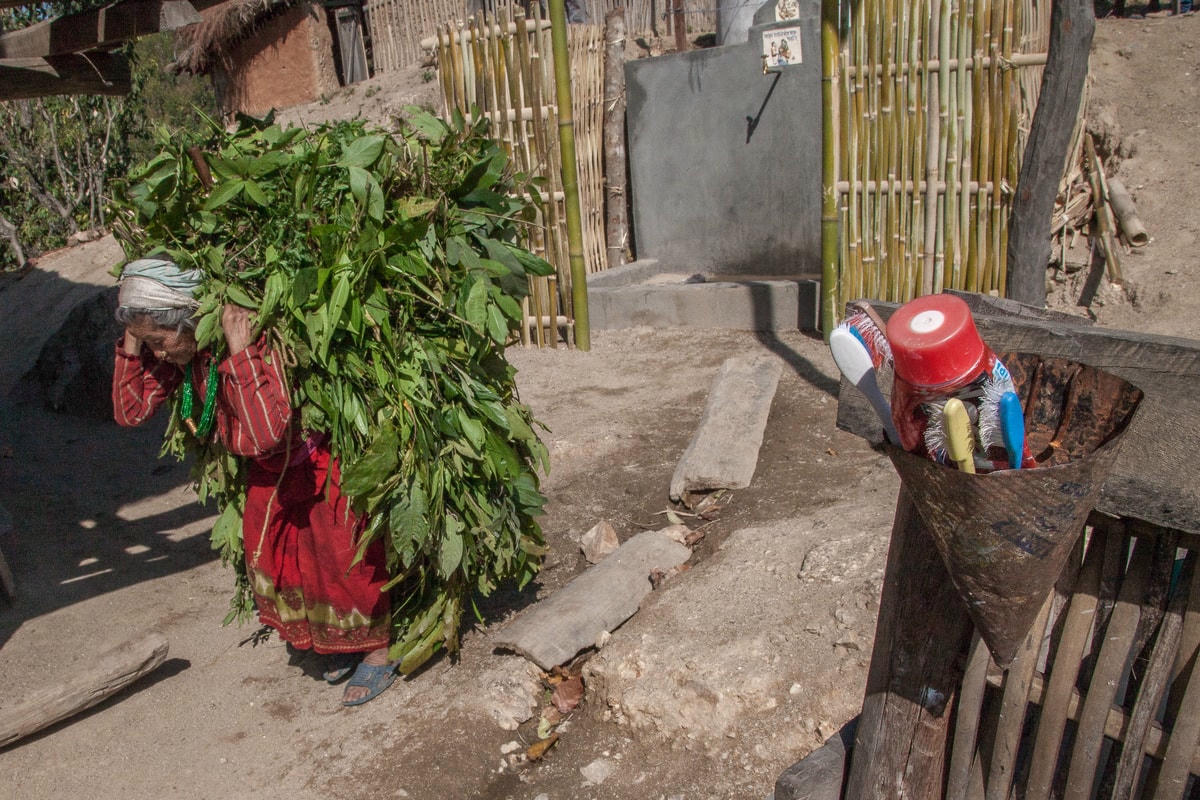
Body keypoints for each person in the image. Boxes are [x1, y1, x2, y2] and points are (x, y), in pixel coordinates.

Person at [111, 257, 396, 706]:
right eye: (151, 345)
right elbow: (130, 412)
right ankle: (336, 639)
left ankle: (378, 648)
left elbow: (266, 433)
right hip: (268, 474)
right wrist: (133, 337)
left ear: (188, 319)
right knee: (286, 561)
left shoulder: (250, 343)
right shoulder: (183, 354)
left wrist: (240, 352)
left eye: (160, 340)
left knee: (342, 558)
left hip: (316, 463)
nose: (159, 353)